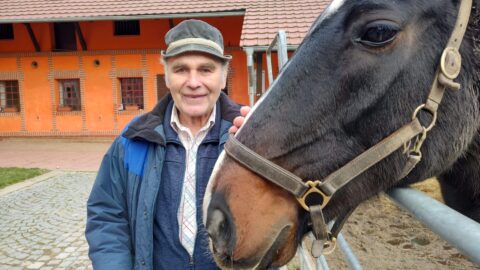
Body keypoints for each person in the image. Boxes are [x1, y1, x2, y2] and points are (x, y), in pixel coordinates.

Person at [86, 19, 249, 269]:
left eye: (206, 70)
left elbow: (277, 219)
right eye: (181, 69)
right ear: (167, 76)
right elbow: (107, 214)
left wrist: (261, 153)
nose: (193, 82)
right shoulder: (134, 139)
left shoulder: (249, 135)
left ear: (223, 76)